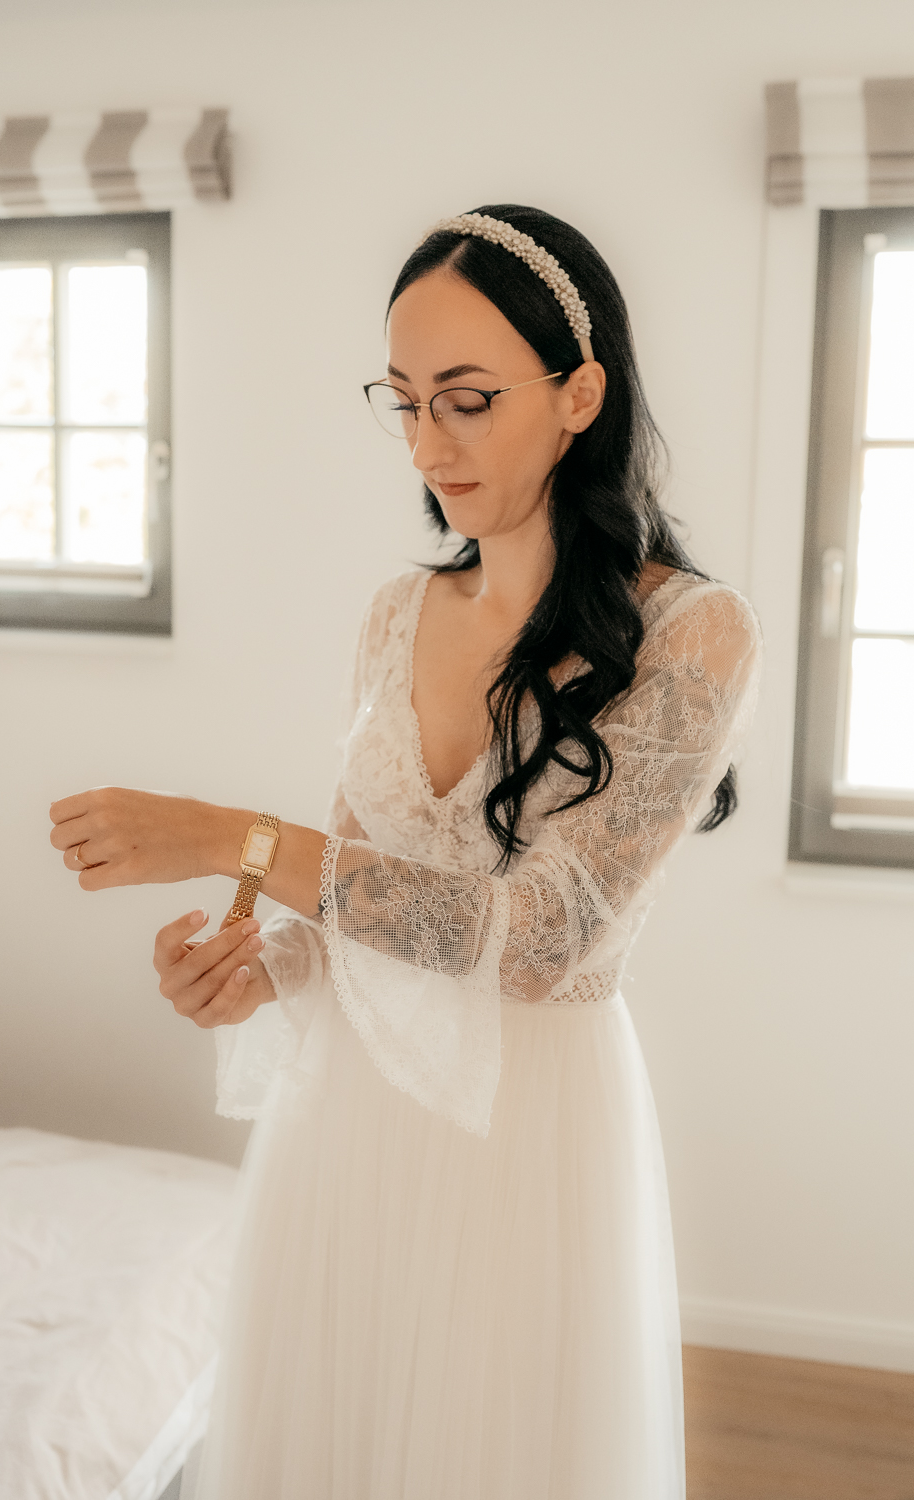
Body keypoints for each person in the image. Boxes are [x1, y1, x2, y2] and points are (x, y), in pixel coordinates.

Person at [50, 204, 761, 1499]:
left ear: (580, 393)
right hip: (349, 1114)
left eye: (469, 400)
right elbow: (359, 887)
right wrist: (260, 964)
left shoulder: (695, 634)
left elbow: (538, 943)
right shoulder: (398, 612)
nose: (431, 445)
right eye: (406, 402)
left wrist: (228, 838)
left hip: (529, 1129)